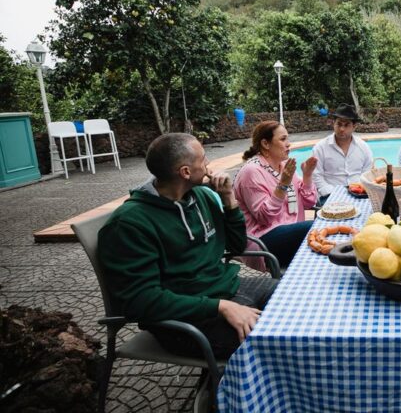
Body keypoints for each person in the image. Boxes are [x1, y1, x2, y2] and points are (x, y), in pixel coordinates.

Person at [98, 133, 278, 359]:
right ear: (185, 172)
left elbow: (237, 244)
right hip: (184, 320)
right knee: (277, 340)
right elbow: (140, 301)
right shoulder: (129, 224)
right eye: (203, 159)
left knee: (298, 301)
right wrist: (220, 307)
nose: (208, 164)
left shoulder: (202, 196)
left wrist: (229, 201)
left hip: (228, 289)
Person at [234, 121, 318, 268]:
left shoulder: (284, 167)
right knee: (315, 229)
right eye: (283, 139)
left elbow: (309, 203)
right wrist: (283, 185)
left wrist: (307, 176)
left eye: (288, 139)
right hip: (264, 240)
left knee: (321, 235)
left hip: (291, 232)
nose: (288, 144)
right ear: (266, 144)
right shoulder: (251, 172)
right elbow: (265, 217)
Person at [311, 104, 373, 204]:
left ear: (354, 126)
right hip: (330, 195)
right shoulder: (320, 148)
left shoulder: (363, 147)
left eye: (346, 125)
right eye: (339, 124)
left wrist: (359, 189)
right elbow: (316, 176)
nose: (342, 129)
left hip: (359, 194)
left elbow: (367, 173)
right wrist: (333, 193)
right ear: (333, 124)